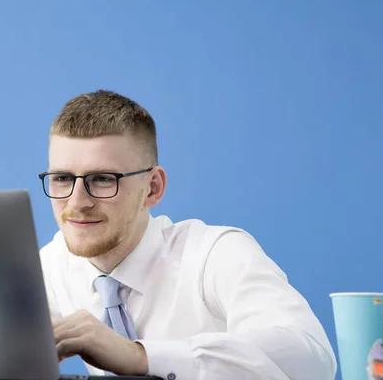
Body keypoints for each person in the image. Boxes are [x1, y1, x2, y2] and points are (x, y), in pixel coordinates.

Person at [38, 90, 337, 380]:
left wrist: (140, 357)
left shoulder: (215, 255)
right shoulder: (52, 265)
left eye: (103, 179)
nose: (77, 202)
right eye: (62, 178)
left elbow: (312, 357)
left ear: (152, 188)